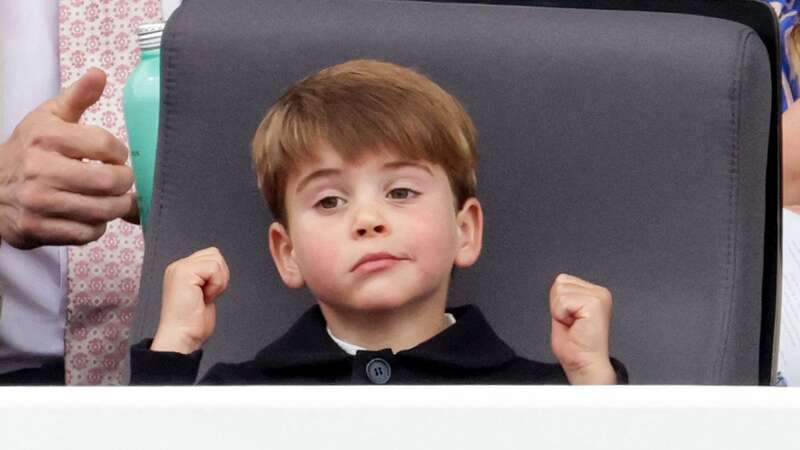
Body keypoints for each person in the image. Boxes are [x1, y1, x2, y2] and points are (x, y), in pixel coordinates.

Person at [130, 60, 627, 385]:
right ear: (288, 253)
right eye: (329, 201)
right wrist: (173, 347)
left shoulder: (547, 391)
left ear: (465, 230)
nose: (368, 219)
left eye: (401, 192)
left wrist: (592, 381)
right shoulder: (237, 393)